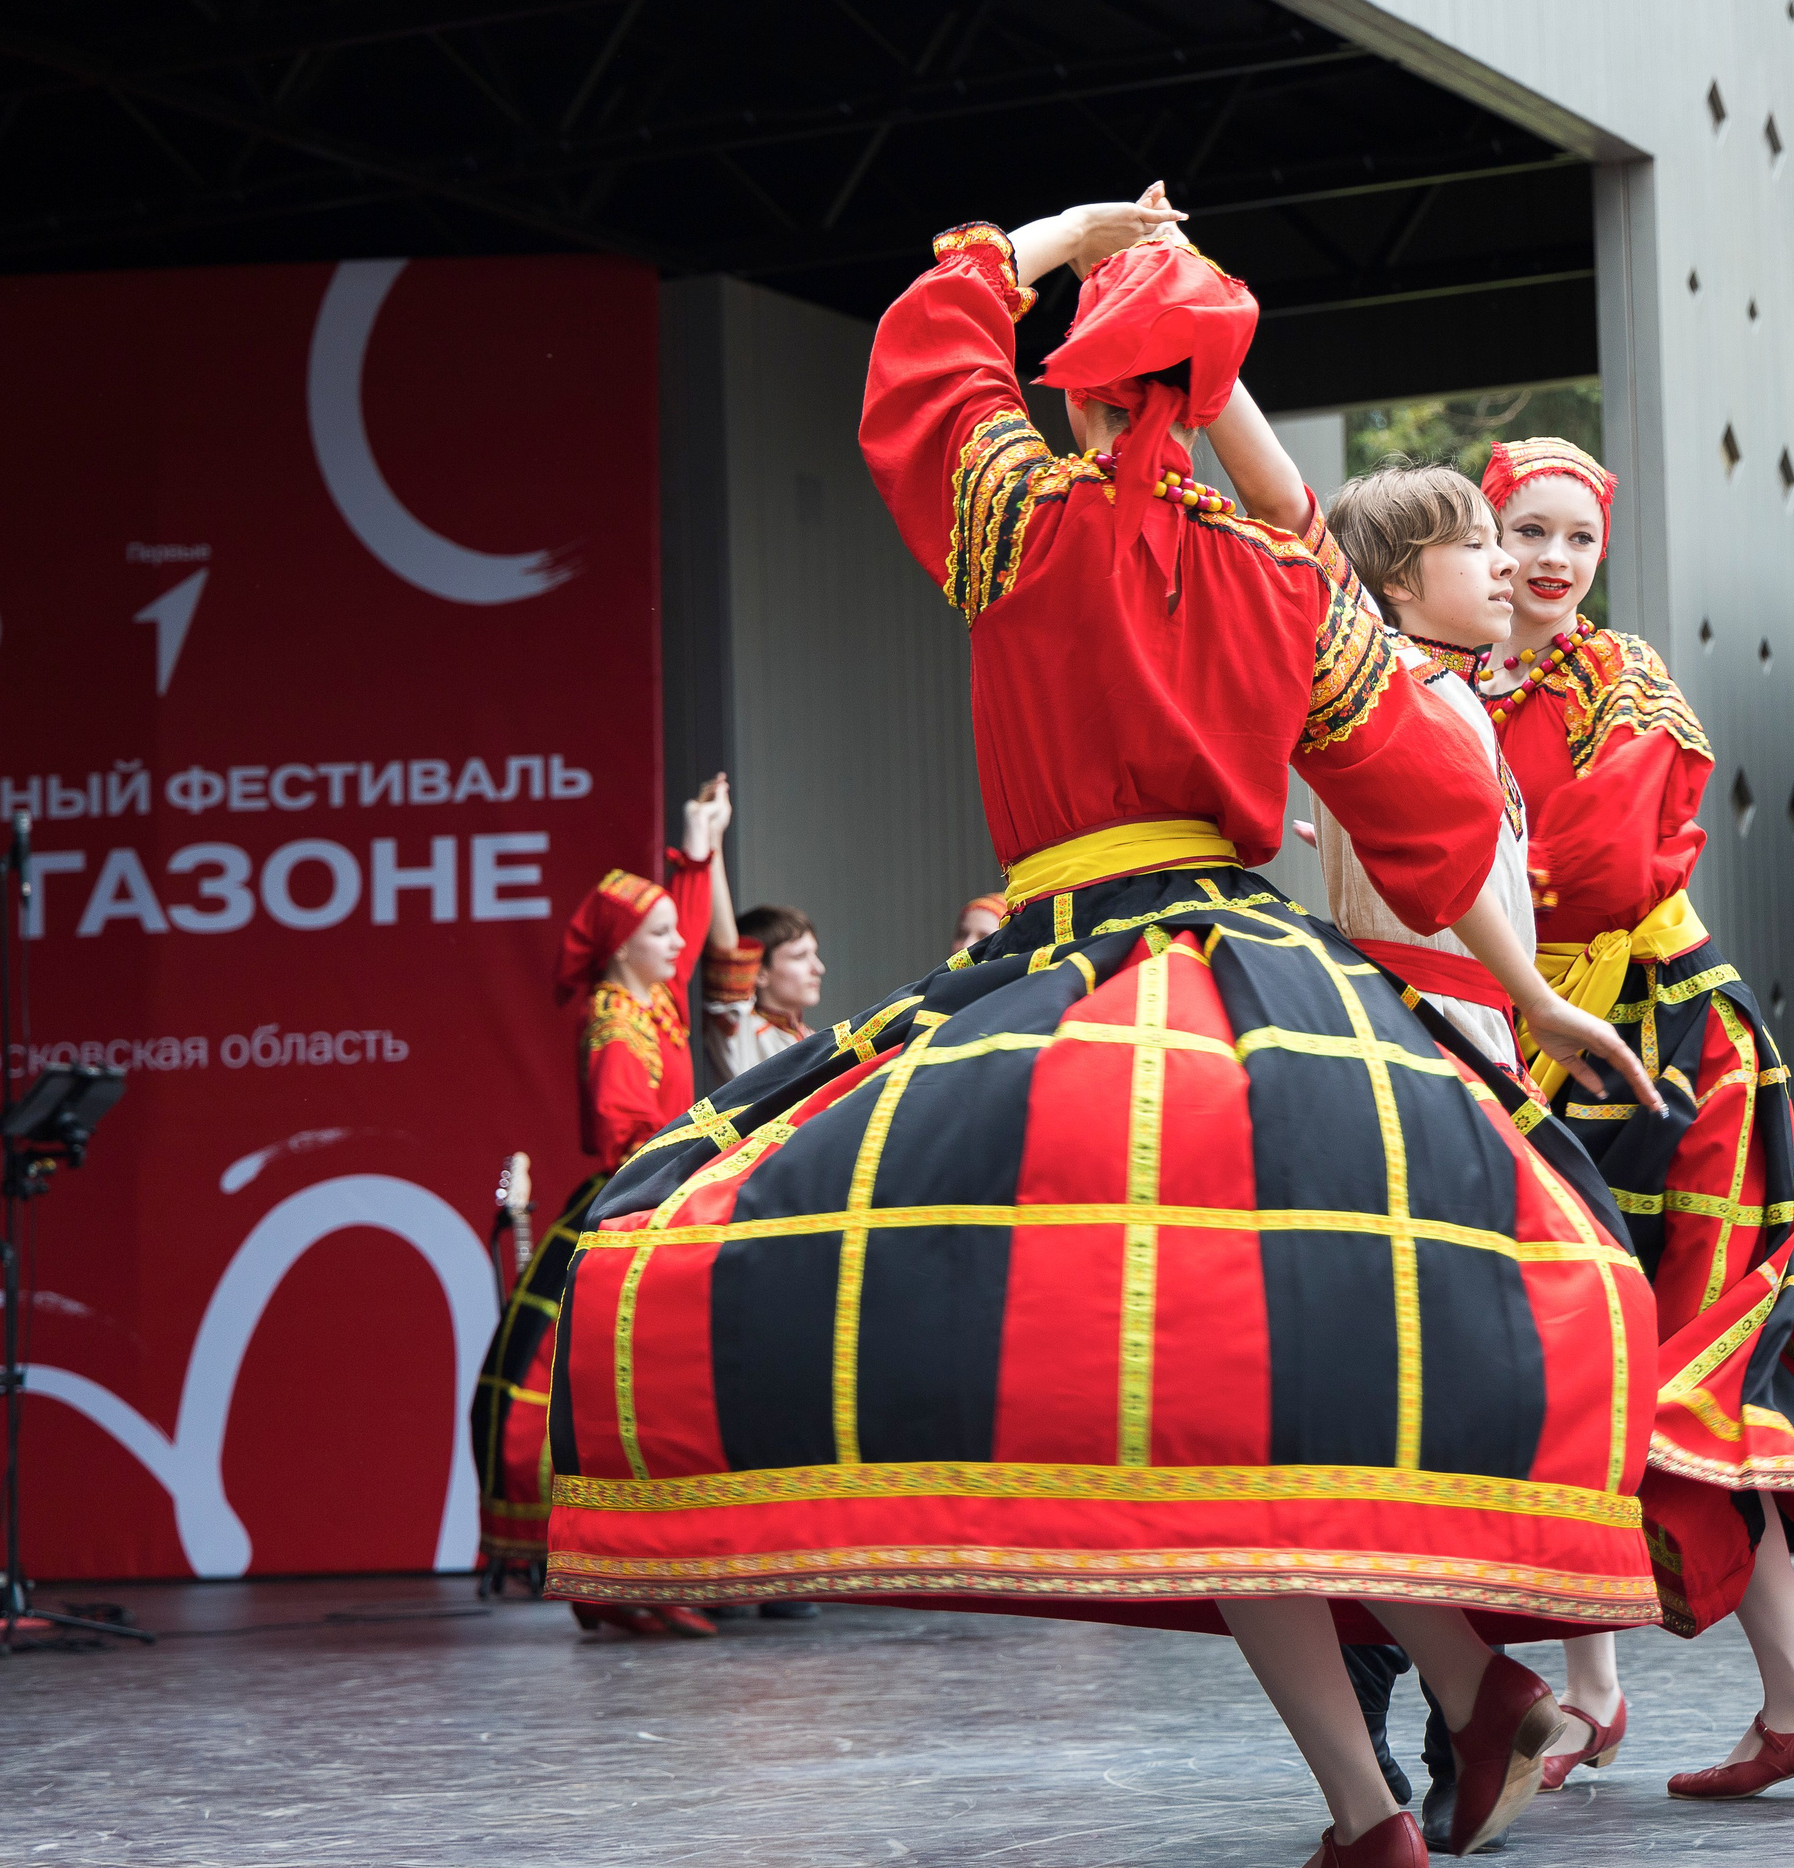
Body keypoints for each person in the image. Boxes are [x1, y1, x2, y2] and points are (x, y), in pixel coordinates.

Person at [540, 197, 1673, 1867]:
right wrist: (1550, 994)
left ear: (1076, 393)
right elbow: (1434, 814)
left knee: (1182, 1399)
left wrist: (1062, 232)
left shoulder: (1015, 512)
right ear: (1211, 397)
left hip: (1079, 982)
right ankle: (1449, 1692)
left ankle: (1393, 1777)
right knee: (1260, 1394)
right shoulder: (1287, 583)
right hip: (1272, 1007)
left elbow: (920, 366)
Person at [1471, 436, 1794, 1801]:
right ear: (1487, 539)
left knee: (1662, 1374)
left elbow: (1609, 864)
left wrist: (1467, 895)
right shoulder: (1460, 680)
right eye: (1530, 531)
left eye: (1578, 537)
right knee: (1581, 1370)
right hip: (1541, 1045)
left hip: (1662, 1052)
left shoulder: (1623, 679)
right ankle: (1628, 1690)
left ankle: (1762, 1697)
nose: (1556, 559)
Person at [1196, 426, 1549, 1834]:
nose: (1510, 561)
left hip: (1448, 1062)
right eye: (1477, 545)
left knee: (1318, 1429)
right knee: (1360, 1416)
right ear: (1395, 588)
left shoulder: (1444, 700)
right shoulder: (1393, 699)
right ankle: (1449, 1712)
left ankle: (1417, 1743)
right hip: (1418, 1062)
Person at [470, 774, 736, 1641]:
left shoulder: (649, 998)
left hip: (658, 1205)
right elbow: (631, 1141)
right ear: (624, 947)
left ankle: (631, 1572)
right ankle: (612, 1572)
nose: (676, 949)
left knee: (650, 1401)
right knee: (618, 1398)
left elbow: (690, 939)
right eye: (656, 934)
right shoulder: (616, 1027)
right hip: (636, 1214)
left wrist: (700, 849)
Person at [707, 903, 827, 1078]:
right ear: (760, 972)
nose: (818, 968)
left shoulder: (812, 1036)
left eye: (815, 954)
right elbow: (727, 956)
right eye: (799, 957)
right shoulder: (743, 1032)